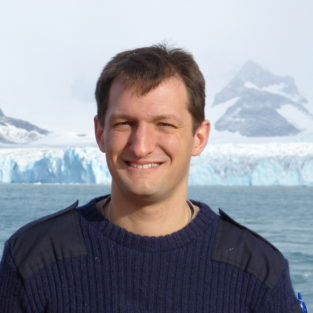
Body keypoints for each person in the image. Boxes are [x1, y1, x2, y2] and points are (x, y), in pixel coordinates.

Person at [0, 44, 303, 313]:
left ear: (199, 137)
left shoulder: (258, 272)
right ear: (100, 133)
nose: (141, 146)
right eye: (124, 123)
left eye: (165, 124)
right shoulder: (33, 259)